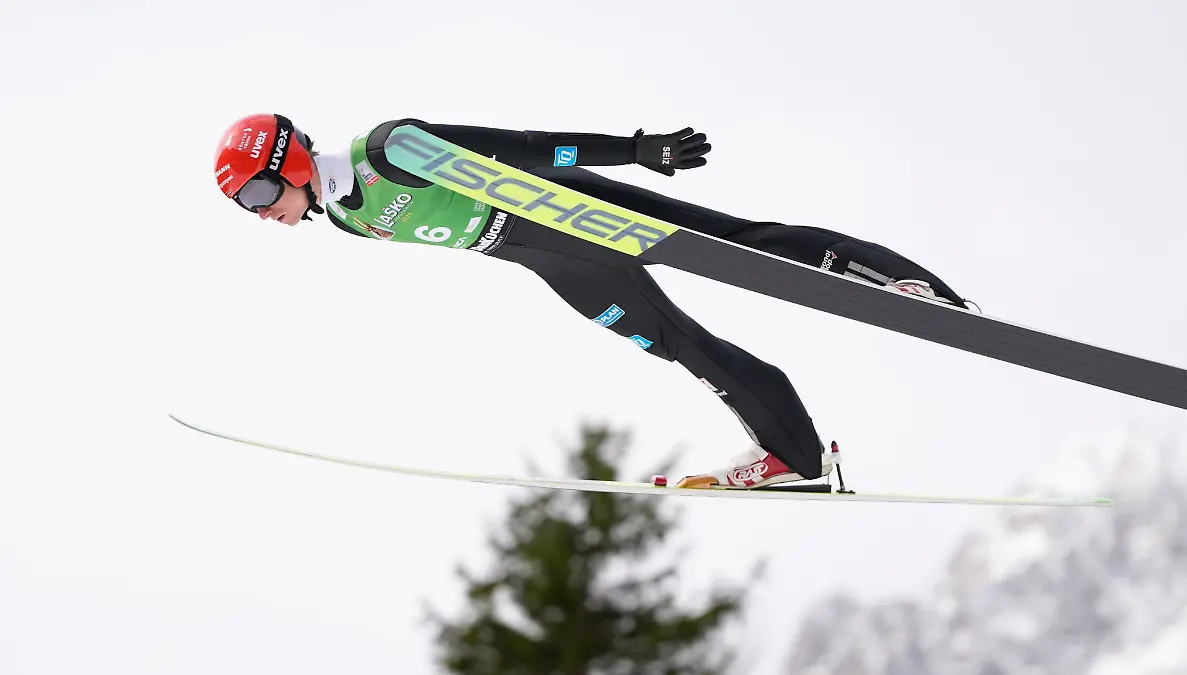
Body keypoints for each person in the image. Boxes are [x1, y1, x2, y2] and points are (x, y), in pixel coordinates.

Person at [213, 114, 969, 489]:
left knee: (737, 243)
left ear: (291, 159)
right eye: (244, 206)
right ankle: (795, 454)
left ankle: (903, 286)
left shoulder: (390, 151)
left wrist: (634, 149)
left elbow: (522, 147)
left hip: (561, 209)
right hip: (540, 258)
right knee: (676, 344)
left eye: (256, 191)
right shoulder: (344, 216)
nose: (259, 212)